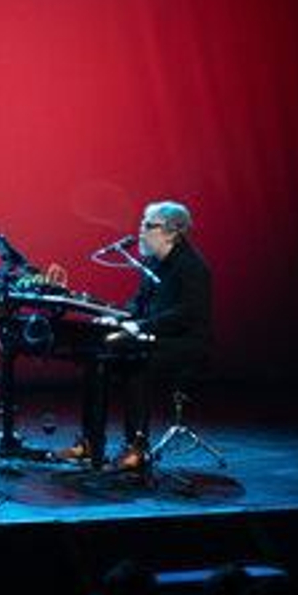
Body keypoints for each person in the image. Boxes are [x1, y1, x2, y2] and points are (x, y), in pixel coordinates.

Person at [58, 199, 212, 470]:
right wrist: (116, 318)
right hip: (154, 335)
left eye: (148, 225)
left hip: (184, 342)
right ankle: (90, 442)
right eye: (141, 223)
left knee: (137, 363)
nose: (141, 231)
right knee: (96, 359)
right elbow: (138, 304)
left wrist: (141, 327)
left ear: (172, 232)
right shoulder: (152, 263)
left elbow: (186, 313)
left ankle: (136, 447)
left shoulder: (192, 266)